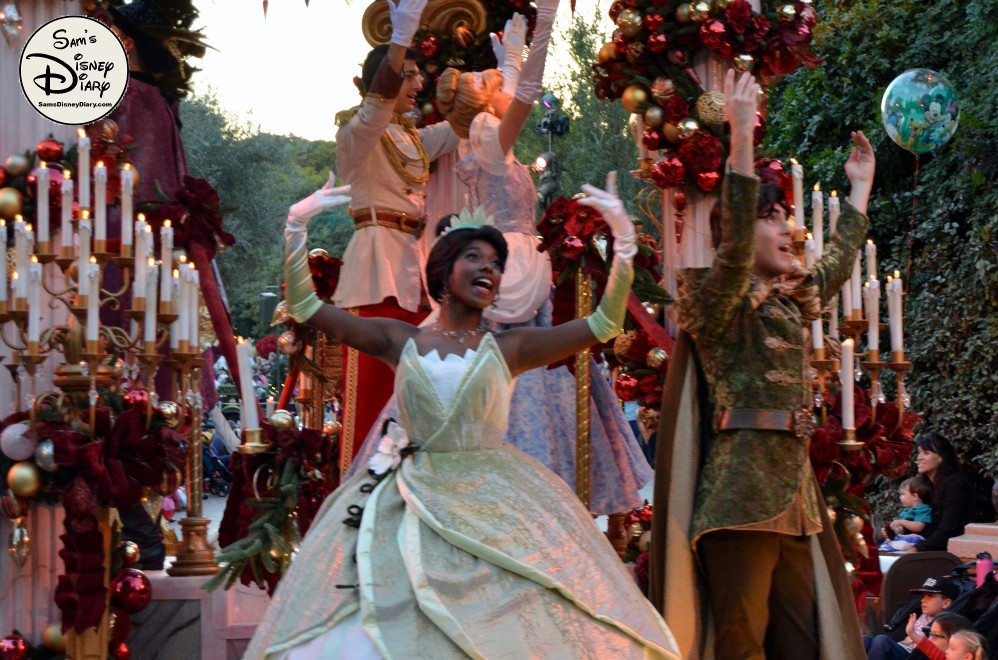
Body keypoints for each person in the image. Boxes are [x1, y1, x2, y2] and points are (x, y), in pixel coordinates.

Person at [243, 167, 680, 658]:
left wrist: (622, 245)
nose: (488, 269)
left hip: (495, 496)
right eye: (474, 256)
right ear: (444, 268)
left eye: (496, 262)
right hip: (408, 498)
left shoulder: (511, 347)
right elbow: (303, 305)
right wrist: (296, 227)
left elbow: (602, 324)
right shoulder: (398, 339)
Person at [649, 69, 875, 659]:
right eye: (774, 218)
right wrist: (741, 143)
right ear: (739, 233)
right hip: (739, 498)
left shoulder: (787, 301)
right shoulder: (718, 300)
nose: (789, 231)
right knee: (741, 645)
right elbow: (733, 259)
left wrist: (860, 191)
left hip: (795, 501)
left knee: (801, 644)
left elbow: (832, 271)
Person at [331, 0, 461, 469]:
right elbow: (376, 105)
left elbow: (464, 126)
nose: (417, 82)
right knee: (370, 398)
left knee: (413, 401)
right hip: (375, 269)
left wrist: (502, 76)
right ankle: (358, 508)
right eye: (409, 74)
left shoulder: (413, 140)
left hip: (414, 271)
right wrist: (401, 36)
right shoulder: (358, 133)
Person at [865, 576, 961, 660]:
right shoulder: (918, 612)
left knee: (881, 641)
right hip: (899, 647)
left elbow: (936, 652)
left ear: (946, 603)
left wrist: (912, 633)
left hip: (913, 655)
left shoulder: (944, 624)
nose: (923, 600)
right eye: (923, 596)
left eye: (930, 596)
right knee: (863, 641)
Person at [910, 431, 976, 552]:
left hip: (953, 553)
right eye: (919, 453)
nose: (919, 458)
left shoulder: (954, 485)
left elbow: (947, 529)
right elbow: (925, 524)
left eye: (926, 453)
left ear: (941, 457)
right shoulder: (927, 485)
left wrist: (916, 549)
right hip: (933, 548)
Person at [880, 475, 934, 552]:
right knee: (888, 543)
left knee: (897, 547)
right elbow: (901, 530)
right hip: (907, 539)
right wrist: (891, 531)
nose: (900, 497)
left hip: (917, 539)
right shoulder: (906, 511)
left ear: (914, 496)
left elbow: (919, 526)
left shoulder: (923, 509)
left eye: (903, 494)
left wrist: (901, 522)